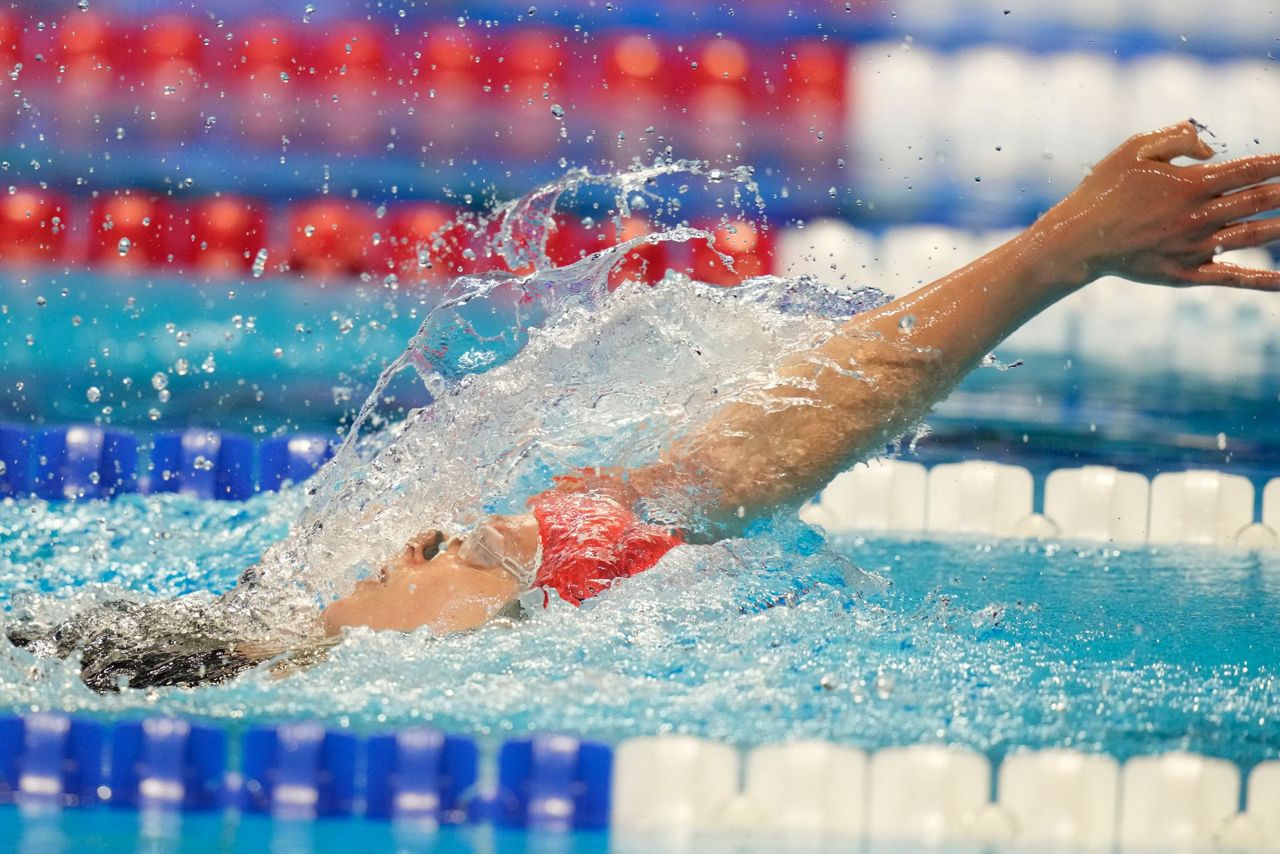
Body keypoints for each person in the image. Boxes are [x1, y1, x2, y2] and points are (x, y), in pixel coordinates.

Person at [12, 122, 1280, 691]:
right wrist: (1050, 254)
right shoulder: (401, 651)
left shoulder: (458, 598)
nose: (430, 530)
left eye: (423, 541)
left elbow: (744, 452)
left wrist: (1054, 254)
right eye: (422, 552)